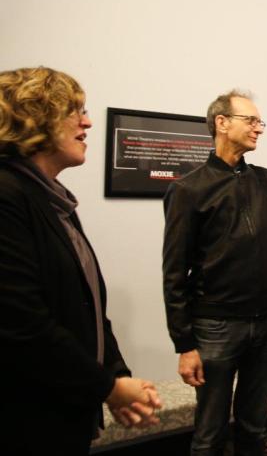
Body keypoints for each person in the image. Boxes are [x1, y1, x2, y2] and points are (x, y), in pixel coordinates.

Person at [0, 67, 161, 455]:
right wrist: (108, 388)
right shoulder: (7, 196)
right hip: (21, 420)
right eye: (75, 111)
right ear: (34, 116)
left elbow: (87, 308)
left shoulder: (55, 201)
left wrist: (116, 376)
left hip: (61, 413)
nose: (87, 122)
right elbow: (20, 322)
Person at [162, 90, 267, 456]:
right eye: (251, 120)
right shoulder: (187, 190)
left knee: (254, 429)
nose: (259, 128)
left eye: (260, 122)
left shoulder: (266, 181)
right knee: (209, 434)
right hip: (215, 328)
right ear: (221, 123)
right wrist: (184, 345)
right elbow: (174, 273)